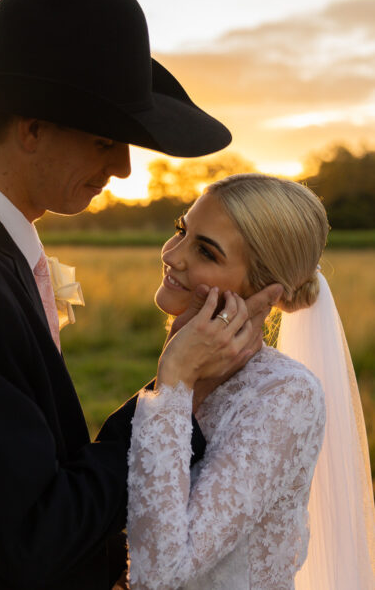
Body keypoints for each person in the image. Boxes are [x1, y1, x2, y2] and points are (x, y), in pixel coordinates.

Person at [0, 0, 281, 588]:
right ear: (32, 127)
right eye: (103, 140)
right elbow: (37, 536)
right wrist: (172, 390)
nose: (122, 168)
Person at [127, 174, 375, 589]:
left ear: (264, 286)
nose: (172, 255)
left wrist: (173, 378)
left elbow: (160, 574)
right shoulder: (197, 370)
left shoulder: (285, 395)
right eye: (181, 231)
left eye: (205, 251)